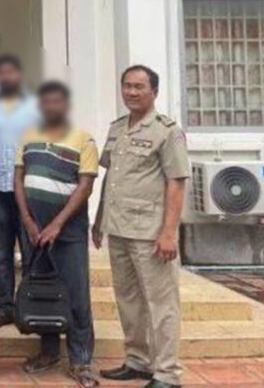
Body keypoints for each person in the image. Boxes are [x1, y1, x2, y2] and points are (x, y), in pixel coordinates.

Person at [94, 66, 190, 388]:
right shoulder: (118, 128)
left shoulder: (167, 131)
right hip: (119, 228)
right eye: (127, 86)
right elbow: (112, 177)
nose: (132, 92)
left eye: (139, 87)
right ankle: (138, 360)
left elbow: (176, 183)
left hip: (150, 232)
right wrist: (98, 220)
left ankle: (167, 373)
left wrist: (168, 233)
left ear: (154, 92)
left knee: (161, 304)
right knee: (128, 300)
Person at [14, 81, 99, 388]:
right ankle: (48, 351)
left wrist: (57, 224)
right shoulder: (28, 136)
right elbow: (19, 177)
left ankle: (81, 360)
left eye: (56, 102)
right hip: (34, 230)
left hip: (67, 230)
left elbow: (85, 186)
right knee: (42, 289)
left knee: (76, 294)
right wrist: (27, 220)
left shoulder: (83, 139)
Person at [0, 54, 41, 326]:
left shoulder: (34, 108)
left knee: (29, 252)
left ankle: (27, 304)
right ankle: (5, 307)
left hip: (26, 191)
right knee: (1, 252)